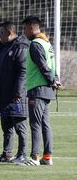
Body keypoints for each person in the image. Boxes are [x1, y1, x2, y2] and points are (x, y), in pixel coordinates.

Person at [0, 21, 29, 164]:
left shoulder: (21, 47)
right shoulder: (4, 46)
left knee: (19, 125)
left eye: (1, 33)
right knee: (6, 126)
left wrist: (18, 92)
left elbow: (23, 72)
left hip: (16, 97)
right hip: (4, 96)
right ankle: (7, 154)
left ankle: (22, 154)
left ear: (10, 33)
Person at [22, 16, 61, 166]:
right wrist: (55, 79)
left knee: (35, 123)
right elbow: (52, 65)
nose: (24, 32)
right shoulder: (46, 43)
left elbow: (43, 65)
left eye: (25, 29)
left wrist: (52, 80)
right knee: (45, 124)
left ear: (32, 28)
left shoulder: (35, 44)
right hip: (47, 89)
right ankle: (47, 156)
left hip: (38, 89)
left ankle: (34, 157)